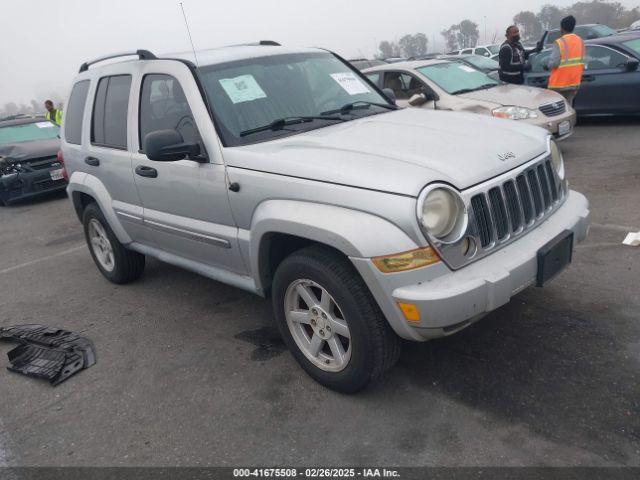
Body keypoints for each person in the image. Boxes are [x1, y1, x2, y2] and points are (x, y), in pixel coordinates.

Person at [545, 15, 585, 106]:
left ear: (561, 28)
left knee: (557, 111)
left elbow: (554, 63)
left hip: (559, 84)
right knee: (568, 108)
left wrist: (547, 65)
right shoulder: (580, 41)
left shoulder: (559, 42)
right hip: (574, 82)